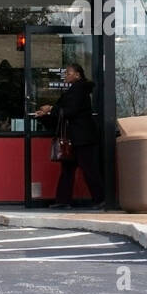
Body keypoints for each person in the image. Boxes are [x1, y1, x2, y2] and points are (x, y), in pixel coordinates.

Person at [37, 63, 105, 209]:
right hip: (75, 137)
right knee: (68, 169)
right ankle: (63, 200)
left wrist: (50, 109)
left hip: (82, 137)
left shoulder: (79, 89)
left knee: (88, 168)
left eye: (68, 73)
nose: (65, 75)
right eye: (65, 73)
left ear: (77, 75)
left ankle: (100, 199)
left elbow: (70, 110)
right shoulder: (77, 89)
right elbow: (64, 110)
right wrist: (48, 112)